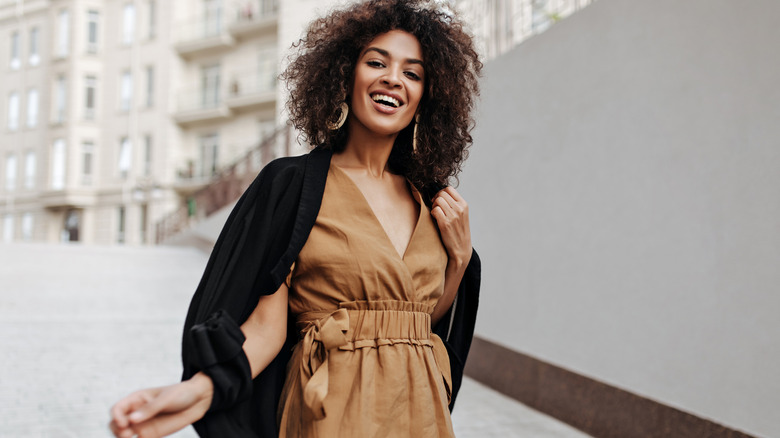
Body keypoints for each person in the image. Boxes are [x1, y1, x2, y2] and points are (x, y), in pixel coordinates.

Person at [109, 0, 482, 437]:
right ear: (345, 74)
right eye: (376, 62)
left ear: (425, 98)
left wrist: (458, 261)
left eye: (412, 73)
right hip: (331, 413)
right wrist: (199, 391)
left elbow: (419, 326)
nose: (393, 79)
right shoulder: (294, 187)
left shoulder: (431, 204)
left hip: (421, 415)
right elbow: (268, 327)